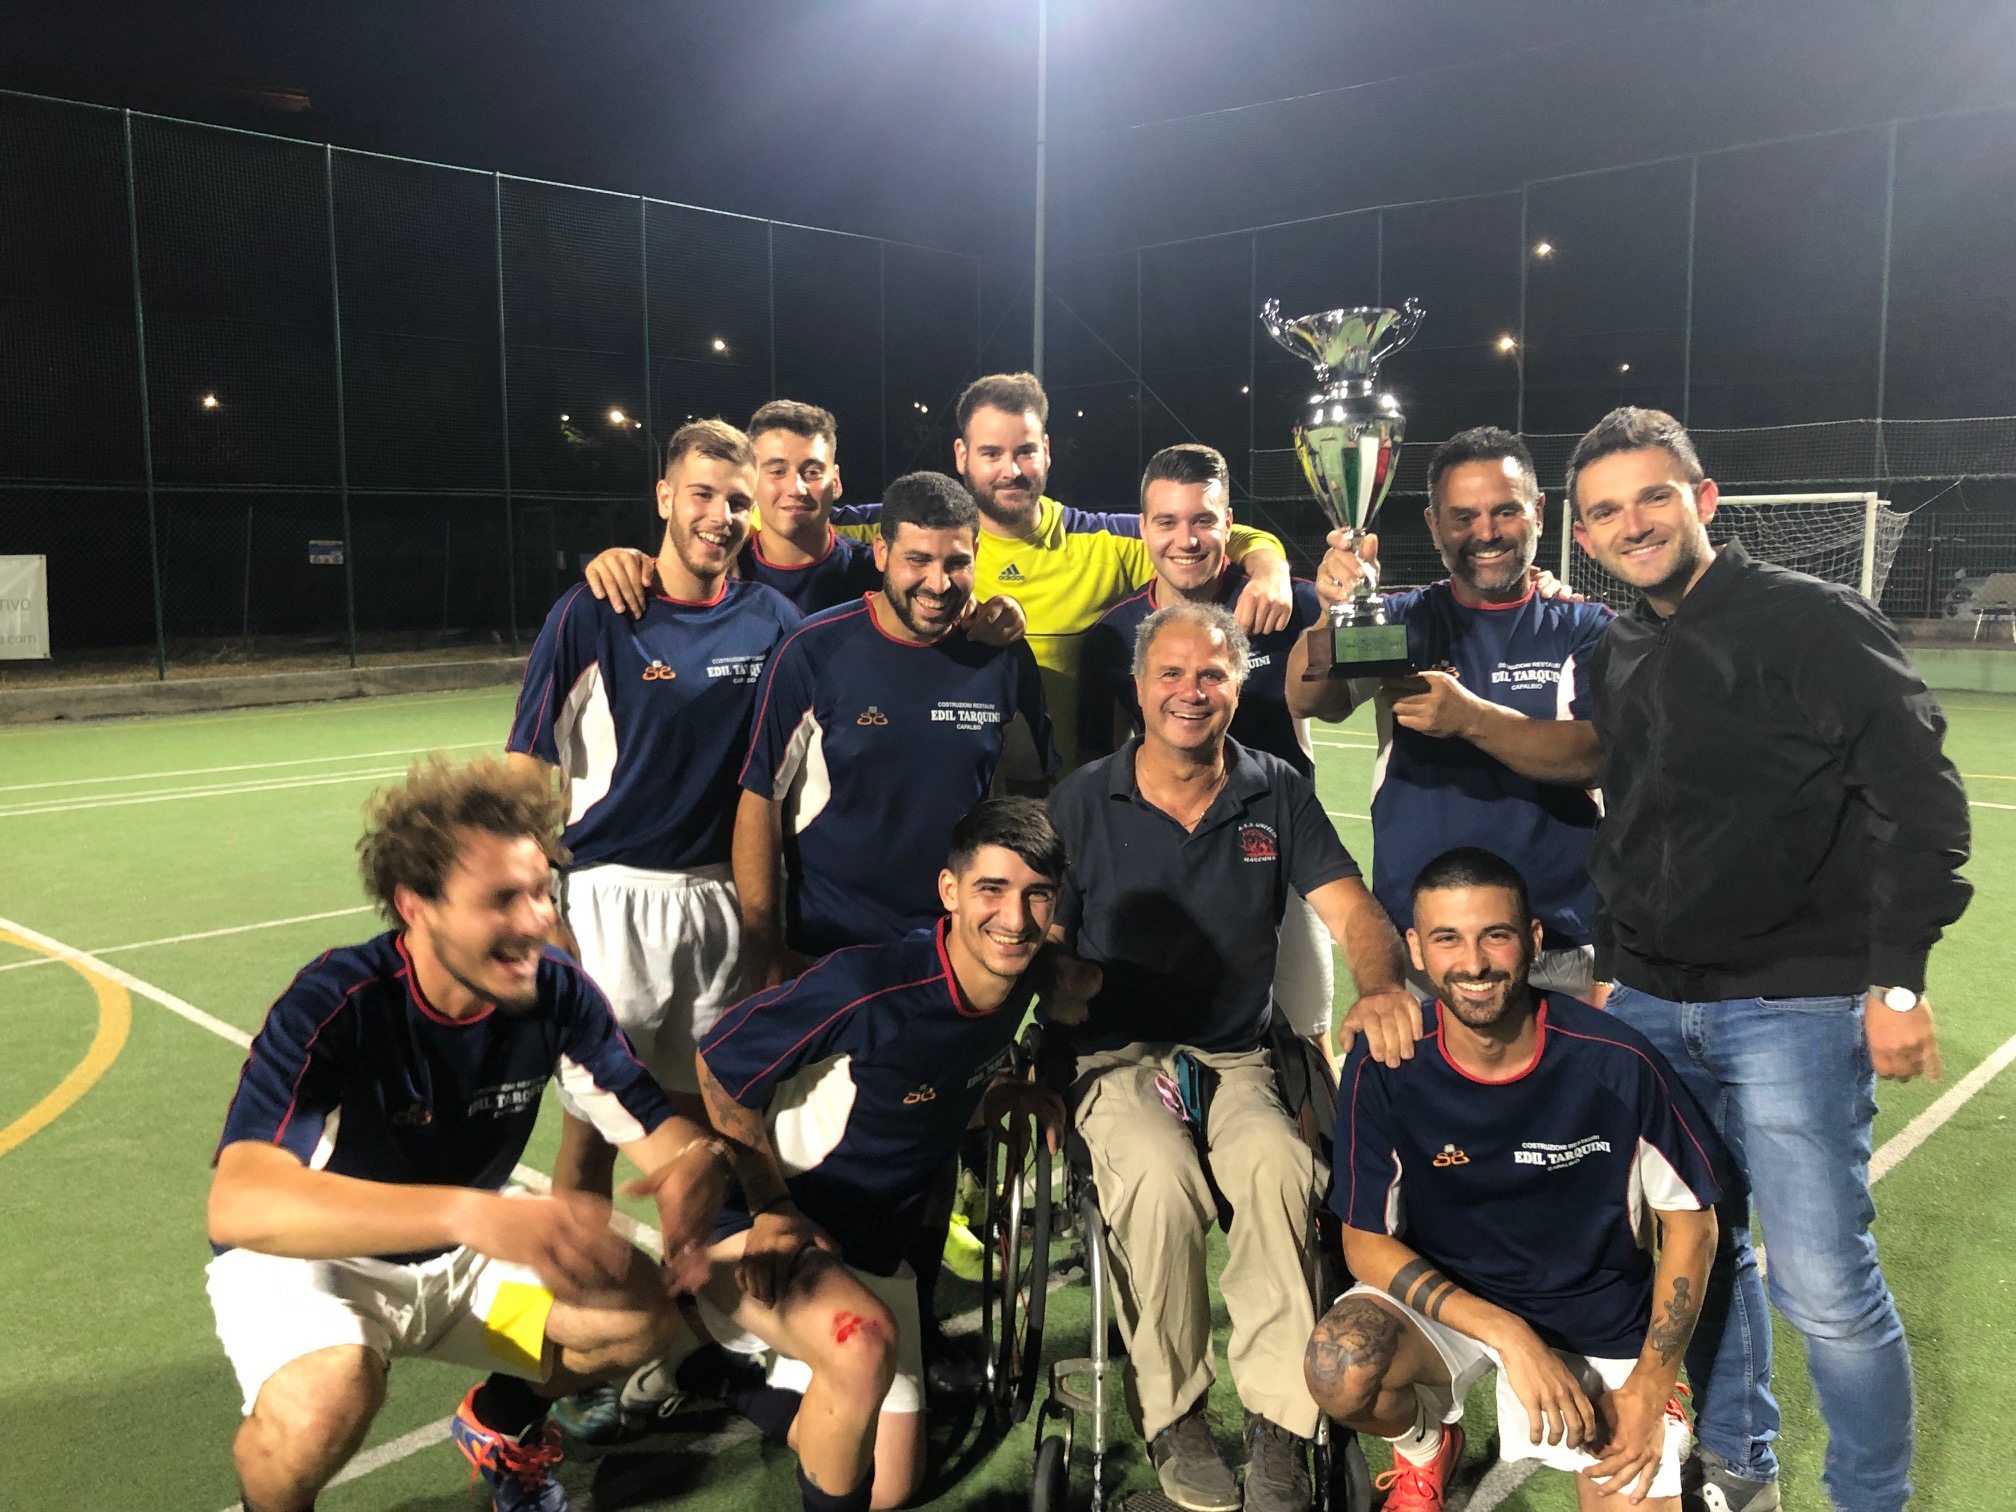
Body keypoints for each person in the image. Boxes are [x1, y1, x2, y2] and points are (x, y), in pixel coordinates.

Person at [1557, 407, 1973, 1512]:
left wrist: (1897, 980)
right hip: (1654, 1003)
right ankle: (1741, 1464)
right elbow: (1629, 819)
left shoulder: (1812, 620)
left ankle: (1869, 1500)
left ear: (1703, 499)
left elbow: (1922, 803)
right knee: (1703, 1253)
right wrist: (1617, 963)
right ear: (1586, 538)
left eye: (1653, 496)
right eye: (1607, 511)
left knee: (1826, 1287)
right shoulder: (1618, 647)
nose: (1634, 523)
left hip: (1795, 1006)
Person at [204, 755, 732, 1512]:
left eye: (542, 891)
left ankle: (499, 1422)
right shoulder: (341, 1001)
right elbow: (240, 1204)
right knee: (324, 1403)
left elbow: (661, 1134)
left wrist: (695, 1165)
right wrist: (466, 1212)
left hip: (464, 1274)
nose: (539, 919)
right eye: (503, 898)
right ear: (415, 904)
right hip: (323, 1265)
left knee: (636, 1316)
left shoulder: (555, 995)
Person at [1045, 600, 1420, 1512]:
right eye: (1170, 673)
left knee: (1281, 1170)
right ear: (1139, 687)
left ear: (1239, 685)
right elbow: (1044, 941)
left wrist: (1380, 986)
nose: (1190, 691)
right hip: (1118, 1057)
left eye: (1211, 674)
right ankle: (1174, 1414)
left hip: (1236, 1054)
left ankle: (1280, 1422)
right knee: (1158, 1179)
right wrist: (1060, 991)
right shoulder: (1082, 798)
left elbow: (1352, 908)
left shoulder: (1274, 788)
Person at [583, 372, 1299, 768]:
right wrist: (638, 559)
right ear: (962, 456)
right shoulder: (894, 529)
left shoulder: (1100, 540)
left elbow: (1192, 530)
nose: (1010, 469)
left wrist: (1266, 563)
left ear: (1047, 451)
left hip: (1048, 787)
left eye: (1024, 451)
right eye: (991, 453)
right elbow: (768, 520)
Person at [679, 798, 1071, 1512]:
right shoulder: (870, 985)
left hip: (872, 1255)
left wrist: (1005, 1093)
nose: (1015, 919)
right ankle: (701, 1320)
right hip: (771, 1237)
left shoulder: (1019, 983)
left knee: (890, 1488)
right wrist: (770, 1205)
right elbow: (719, 1063)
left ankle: (724, 1369)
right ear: (949, 891)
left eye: (1036, 894)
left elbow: (936, 1081)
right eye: (991, 889)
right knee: (861, 1351)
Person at [1307, 847, 1723, 1512]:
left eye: (1494, 935)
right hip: (1455, 1304)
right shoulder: (1387, 1062)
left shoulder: (1616, 1063)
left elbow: (1691, 1223)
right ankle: (1424, 1446)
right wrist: (1508, 1333)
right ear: (1415, 949)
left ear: (1531, 939)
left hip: (1595, 1323)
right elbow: (1364, 1243)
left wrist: (1650, 1384)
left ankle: (1659, 1405)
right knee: (1339, 1364)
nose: (1473, 963)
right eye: (1447, 938)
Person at [1288, 427, 1614, 1003]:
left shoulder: (1585, 626)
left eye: (1505, 511)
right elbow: (1312, 700)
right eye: (1463, 517)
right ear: (1434, 525)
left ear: (1539, 513)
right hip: (1423, 947)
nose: (1485, 533)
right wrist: (1329, 615)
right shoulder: (1404, 621)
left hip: (1556, 944)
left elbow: (1593, 755)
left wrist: (1470, 719)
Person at [735, 468, 1056, 986]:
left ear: (977, 555)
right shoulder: (812, 651)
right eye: (918, 560)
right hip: (828, 949)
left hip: (958, 951)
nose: (938, 583)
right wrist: (763, 944)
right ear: (882, 553)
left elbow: (1032, 790)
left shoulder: (1004, 658)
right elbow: (759, 801)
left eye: (957, 563)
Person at [1078, 442, 1334, 1053]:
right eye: (1167, 522)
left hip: (1283, 853)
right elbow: (1096, 766)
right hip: (1172, 862)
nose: (1185, 540)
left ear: (1229, 524)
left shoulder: (1290, 604)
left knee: (1309, 1038)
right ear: (1144, 528)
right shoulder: (1112, 636)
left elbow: (1346, 688)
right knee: (1173, 1041)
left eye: (1203, 520)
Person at [733, 399, 881, 613]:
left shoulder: (878, 577)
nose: (796, 488)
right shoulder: (721, 578)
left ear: (836, 482)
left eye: (812, 472)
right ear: (750, 482)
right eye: (777, 472)